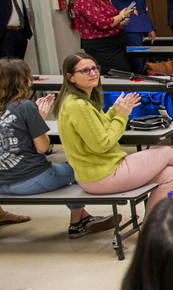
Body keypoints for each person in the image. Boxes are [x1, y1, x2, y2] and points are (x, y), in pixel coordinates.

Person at [53, 52, 173, 211]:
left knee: (169, 174)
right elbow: (103, 144)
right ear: (70, 77)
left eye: (95, 68)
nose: (93, 73)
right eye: (85, 70)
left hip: (99, 173)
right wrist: (122, 116)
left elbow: (100, 128)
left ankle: (150, 227)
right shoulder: (78, 106)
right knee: (167, 153)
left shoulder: (80, 101)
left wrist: (114, 111)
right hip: (102, 175)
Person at [0, 58, 115, 237]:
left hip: (2, 181)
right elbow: (43, 147)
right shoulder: (25, 107)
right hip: (27, 180)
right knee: (79, 167)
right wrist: (39, 119)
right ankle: (78, 221)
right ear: (23, 80)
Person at [68, 0, 133, 74]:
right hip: (102, 47)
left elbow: (111, 15)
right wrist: (121, 16)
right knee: (117, 75)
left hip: (115, 43)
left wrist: (121, 20)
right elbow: (102, 23)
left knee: (124, 72)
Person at [109, 0, 154, 74]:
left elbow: (142, 9)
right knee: (135, 60)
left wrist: (150, 28)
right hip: (129, 29)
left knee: (142, 60)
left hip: (140, 29)